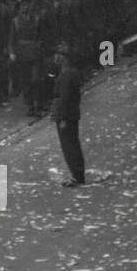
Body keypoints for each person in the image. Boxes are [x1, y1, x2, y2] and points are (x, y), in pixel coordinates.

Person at [52, 43, 85, 186]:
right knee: (73, 144)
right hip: (72, 113)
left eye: (59, 55)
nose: (56, 58)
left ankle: (77, 176)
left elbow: (64, 98)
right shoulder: (72, 72)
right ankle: (78, 174)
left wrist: (63, 118)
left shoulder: (66, 74)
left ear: (64, 58)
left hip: (66, 114)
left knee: (69, 146)